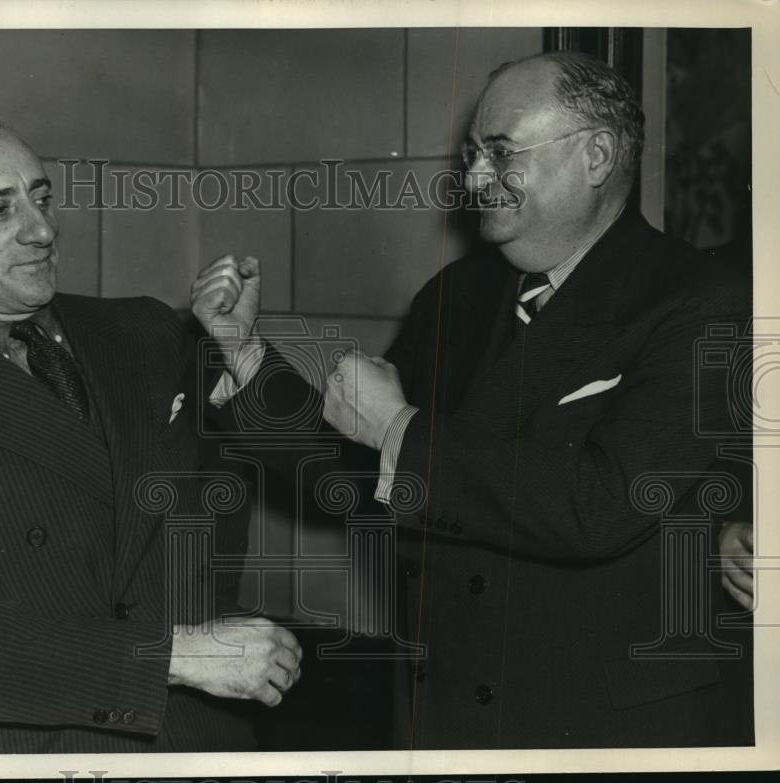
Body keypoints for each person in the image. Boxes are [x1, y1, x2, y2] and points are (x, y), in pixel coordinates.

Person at [191, 51, 754, 748]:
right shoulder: (455, 297)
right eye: (471, 155)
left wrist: (397, 425)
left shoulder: (701, 303)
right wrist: (244, 353)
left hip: (606, 727)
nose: (474, 178)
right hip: (446, 715)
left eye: (501, 152)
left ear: (598, 155)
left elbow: (603, 503)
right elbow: (355, 473)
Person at [0, 115, 302, 754]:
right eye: (0, 209)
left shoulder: (146, 330)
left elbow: (318, 468)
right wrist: (179, 654)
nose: (43, 230)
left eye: (42, 197)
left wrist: (242, 352)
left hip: (206, 738)